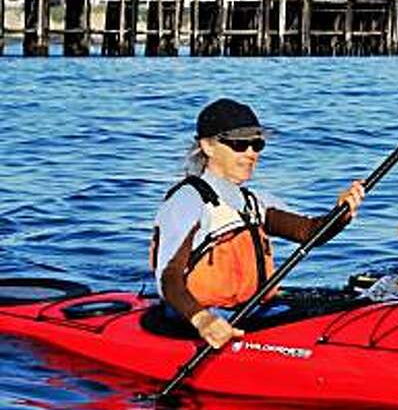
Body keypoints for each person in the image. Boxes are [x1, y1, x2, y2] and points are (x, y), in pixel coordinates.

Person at [150, 98, 365, 349]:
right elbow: (168, 278)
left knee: (346, 302)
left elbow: (310, 232)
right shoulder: (187, 199)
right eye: (240, 144)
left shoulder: (254, 202)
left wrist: (342, 212)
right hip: (194, 318)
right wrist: (202, 320)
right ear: (208, 146)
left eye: (257, 144)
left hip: (249, 310)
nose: (252, 153)